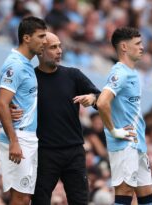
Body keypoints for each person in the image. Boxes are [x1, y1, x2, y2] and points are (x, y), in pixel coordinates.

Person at [11, 32, 100, 205]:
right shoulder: (30, 78)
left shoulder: (73, 75)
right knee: (40, 201)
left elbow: (100, 96)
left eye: (60, 46)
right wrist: (12, 110)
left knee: (80, 201)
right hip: (44, 152)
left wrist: (92, 98)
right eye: (53, 47)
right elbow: (12, 104)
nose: (59, 51)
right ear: (40, 51)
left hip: (74, 151)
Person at [97, 27, 152, 205]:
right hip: (124, 144)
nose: (142, 47)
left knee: (147, 195)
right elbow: (102, 102)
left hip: (137, 142)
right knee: (125, 193)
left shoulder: (133, 73)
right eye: (137, 44)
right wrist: (114, 131)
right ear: (124, 47)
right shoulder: (120, 72)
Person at [0, 16, 47, 205]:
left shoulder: (26, 65)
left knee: (25, 198)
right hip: (18, 137)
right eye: (41, 36)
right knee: (19, 197)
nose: (45, 41)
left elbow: (8, 102)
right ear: (26, 38)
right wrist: (14, 141)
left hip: (28, 137)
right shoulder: (15, 64)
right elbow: (2, 103)